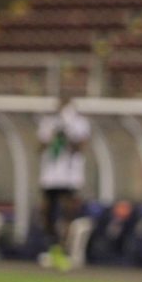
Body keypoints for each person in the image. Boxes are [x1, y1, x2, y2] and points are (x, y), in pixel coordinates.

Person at [37, 97, 91, 271]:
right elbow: (39, 148)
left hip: (70, 175)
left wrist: (67, 134)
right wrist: (52, 135)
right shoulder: (48, 122)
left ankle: (65, 250)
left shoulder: (80, 123)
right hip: (50, 175)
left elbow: (80, 148)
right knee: (45, 212)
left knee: (68, 212)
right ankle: (54, 246)